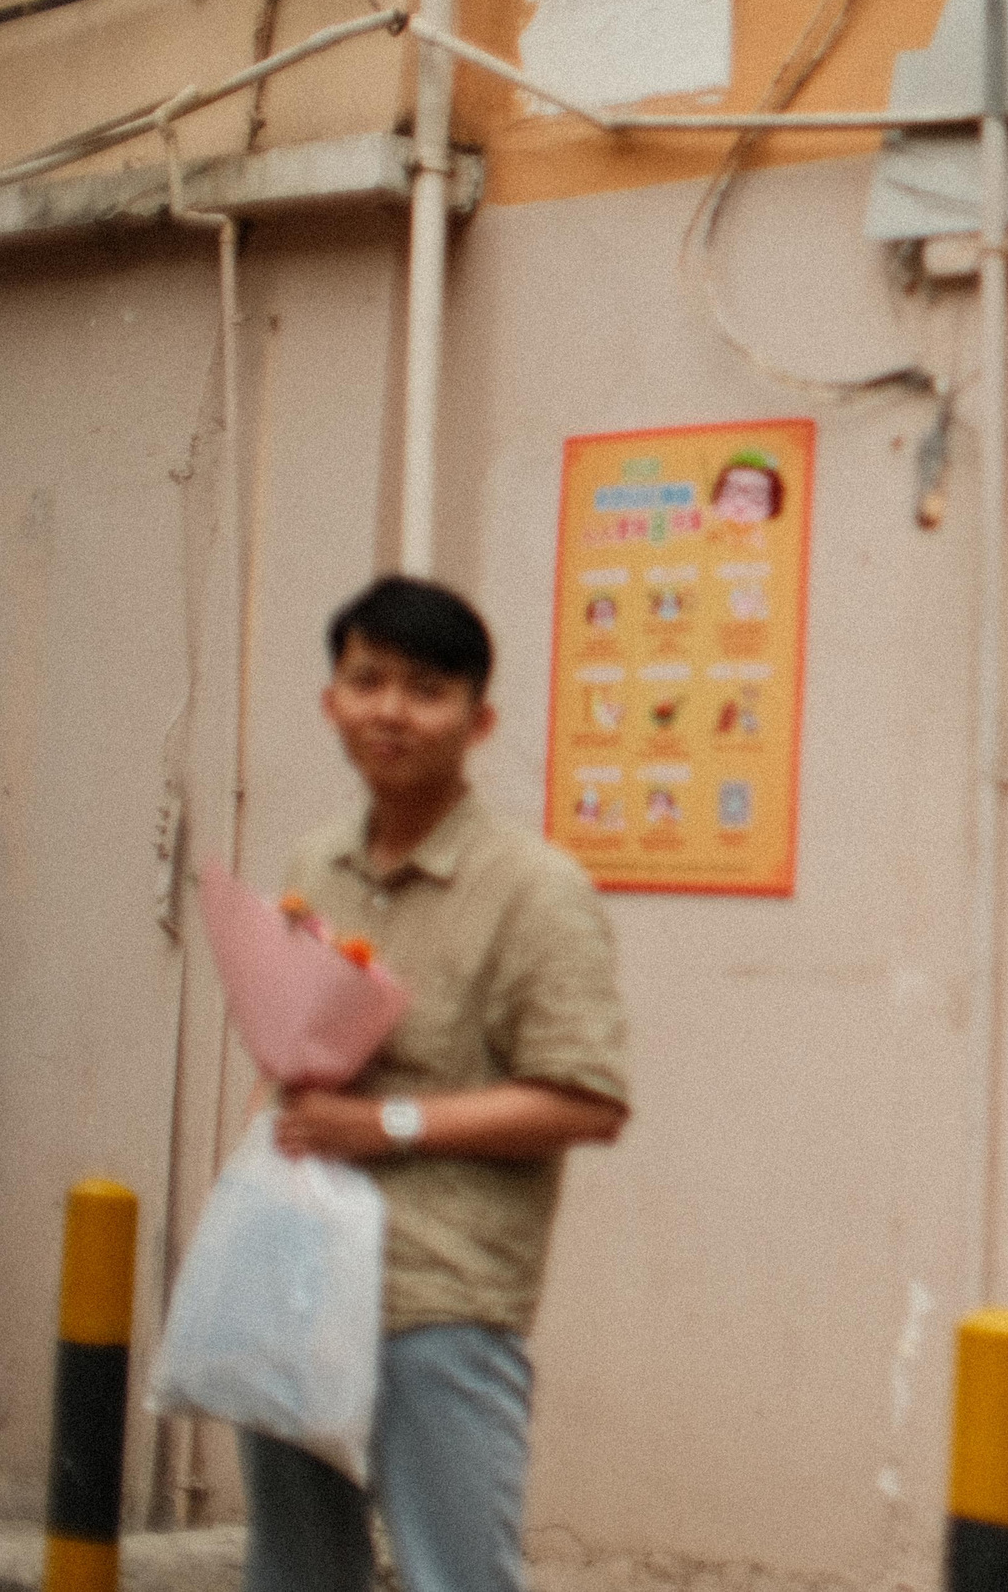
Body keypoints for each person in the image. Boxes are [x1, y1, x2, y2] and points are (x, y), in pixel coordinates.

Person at [249, 575, 631, 1592]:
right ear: (330, 700)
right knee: (293, 1576)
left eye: (425, 688)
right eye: (366, 680)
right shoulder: (311, 865)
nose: (390, 709)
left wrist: (387, 1124)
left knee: (452, 1578)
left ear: (478, 719)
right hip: (297, 1284)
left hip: (440, 1303)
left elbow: (588, 1099)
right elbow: (288, 1066)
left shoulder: (537, 889)